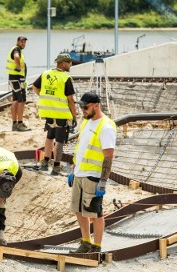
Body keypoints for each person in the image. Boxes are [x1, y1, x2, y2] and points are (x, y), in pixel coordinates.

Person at [67, 92, 116, 254]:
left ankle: (96, 246)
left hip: (93, 177)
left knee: (95, 212)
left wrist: (103, 181)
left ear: (96, 105)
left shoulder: (106, 127)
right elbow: (81, 149)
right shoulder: (86, 123)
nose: (83, 110)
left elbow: (108, 157)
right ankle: (85, 242)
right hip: (80, 174)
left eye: (85, 107)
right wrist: (74, 171)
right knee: (78, 210)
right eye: (81, 107)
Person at [32, 52, 78, 176]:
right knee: (59, 140)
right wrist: (74, 115)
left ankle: (45, 161)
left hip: (48, 112)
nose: (70, 64)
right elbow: (70, 100)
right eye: (68, 62)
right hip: (61, 114)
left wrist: (44, 97)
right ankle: (56, 166)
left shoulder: (46, 74)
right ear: (62, 63)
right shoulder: (65, 78)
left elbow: (34, 87)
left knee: (49, 136)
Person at [6, 36, 29, 132]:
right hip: (18, 78)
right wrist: (19, 67)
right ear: (18, 42)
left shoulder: (16, 49)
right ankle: (19, 123)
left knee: (15, 100)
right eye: (22, 42)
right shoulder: (16, 49)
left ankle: (14, 124)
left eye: (24, 42)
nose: (23, 43)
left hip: (13, 78)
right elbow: (16, 57)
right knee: (21, 100)